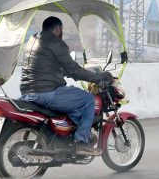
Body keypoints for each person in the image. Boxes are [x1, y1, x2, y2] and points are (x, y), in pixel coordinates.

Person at [20, 16, 112, 156]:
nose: (61, 32)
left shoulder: (32, 41)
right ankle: (81, 142)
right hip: (46, 92)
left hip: (27, 91)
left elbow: (46, 66)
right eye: (61, 29)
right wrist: (98, 78)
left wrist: (65, 72)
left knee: (73, 105)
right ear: (57, 28)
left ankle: (67, 139)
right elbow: (73, 70)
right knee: (87, 99)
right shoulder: (55, 42)